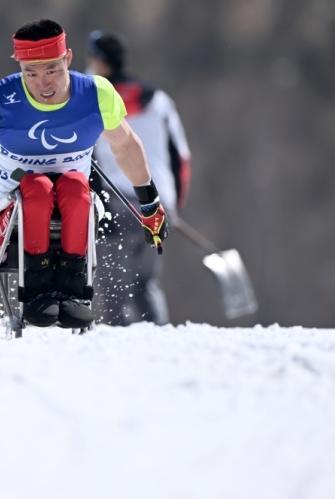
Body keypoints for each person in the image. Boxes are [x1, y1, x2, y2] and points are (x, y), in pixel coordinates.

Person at [0, 19, 168, 329]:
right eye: (31, 73)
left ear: (68, 59)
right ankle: (37, 293)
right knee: (36, 187)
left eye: (52, 70)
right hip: (14, 214)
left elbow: (127, 147)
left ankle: (74, 293)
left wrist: (150, 204)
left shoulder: (95, 94)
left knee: (76, 186)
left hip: (76, 203)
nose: (43, 84)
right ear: (19, 67)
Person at [86, 30, 192, 326]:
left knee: (114, 291)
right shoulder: (158, 100)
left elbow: (85, 160)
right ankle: (159, 349)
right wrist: (174, 207)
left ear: (99, 62)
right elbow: (180, 158)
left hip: (116, 202)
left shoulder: (94, 101)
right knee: (146, 285)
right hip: (158, 204)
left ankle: (117, 360)